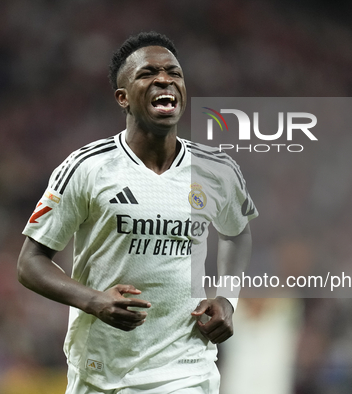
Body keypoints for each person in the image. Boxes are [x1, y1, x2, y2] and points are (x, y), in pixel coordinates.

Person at [17, 31, 257, 394]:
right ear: (123, 97)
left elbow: (237, 233)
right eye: (148, 73)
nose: (165, 79)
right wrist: (94, 301)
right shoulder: (88, 168)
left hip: (186, 370)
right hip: (102, 371)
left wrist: (226, 296)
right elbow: (30, 263)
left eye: (174, 73)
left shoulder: (217, 170)